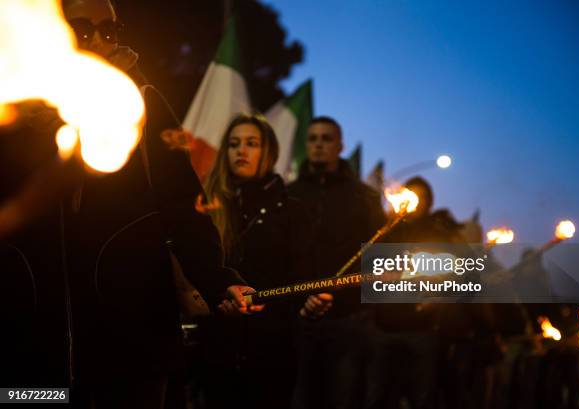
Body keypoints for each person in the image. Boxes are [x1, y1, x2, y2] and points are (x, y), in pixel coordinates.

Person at [0, 1, 254, 407]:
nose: (101, 40)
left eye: (111, 31)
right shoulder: (12, 109)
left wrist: (217, 277)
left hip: (132, 343)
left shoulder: (142, 104)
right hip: (28, 350)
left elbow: (183, 205)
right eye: (84, 30)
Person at [187, 113, 332, 409]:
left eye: (251, 143)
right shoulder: (206, 204)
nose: (241, 150)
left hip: (272, 351)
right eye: (234, 144)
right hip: (216, 348)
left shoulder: (291, 211)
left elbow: (303, 277)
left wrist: (309, 305)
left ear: (269, 152)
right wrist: (216, 298)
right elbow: (194, 267)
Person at [287, 116, 387, 409]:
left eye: (326, 138)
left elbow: (379, 255)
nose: (319, 145)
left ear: (340, 145)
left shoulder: (363, 197)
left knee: (343, 397)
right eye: (313, 138)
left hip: (348, 320)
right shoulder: (289, 194)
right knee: (299, 398)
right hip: (298, 319)